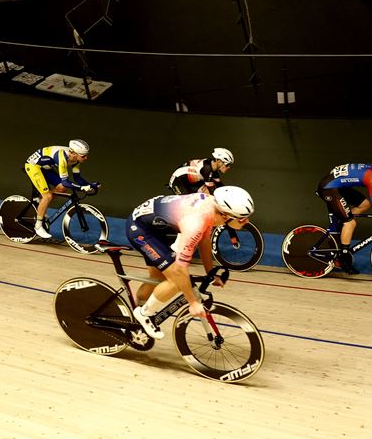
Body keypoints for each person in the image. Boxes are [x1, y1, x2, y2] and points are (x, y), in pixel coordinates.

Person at [126, 186, 255, 339]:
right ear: (226, 215)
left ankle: (136, 313)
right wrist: (193, 303)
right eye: (242, 218)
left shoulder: (211, 210)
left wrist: (210, 272)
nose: (246, 222)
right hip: (141, 229)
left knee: (159, 279)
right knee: (177, 280)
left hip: (156, 225)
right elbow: (180, 271)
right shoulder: (195, 223)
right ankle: (143, 314)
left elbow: (205, 240)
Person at [24, 140, 98, 239]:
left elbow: (77, 178)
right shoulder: (61, 157)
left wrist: (91, 185)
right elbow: (66, 182)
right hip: (33, 166)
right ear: (74, 153)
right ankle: (38, 226)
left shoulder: (76, 159)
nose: (86, 158)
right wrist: (81, 188)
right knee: (48, 195)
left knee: (61, 189)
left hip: (45, 167)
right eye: (83, 156)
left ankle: (41, 204)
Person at [168, 147, 234, 195]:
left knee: (207, 195)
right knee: (185, 202)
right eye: (227, 164)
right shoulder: (206, 169)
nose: (228, 167)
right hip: (178, 181)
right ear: (219, 161)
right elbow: (212, 191)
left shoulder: (213, 168)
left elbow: (219, 185)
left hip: (190, 181)